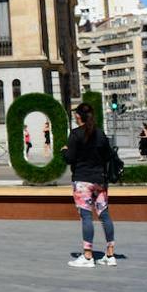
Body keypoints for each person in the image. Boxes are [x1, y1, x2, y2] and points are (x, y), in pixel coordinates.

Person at [62, 102, 117, 268]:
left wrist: (64, 150)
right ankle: (110, 254)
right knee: (104, 215)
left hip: (83, 181)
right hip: (100, 181)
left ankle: (87, 256)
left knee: (86, 216)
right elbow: (109, 155)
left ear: (78, 116)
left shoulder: (76, 134)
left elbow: (69, 158)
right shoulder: (100, 134)